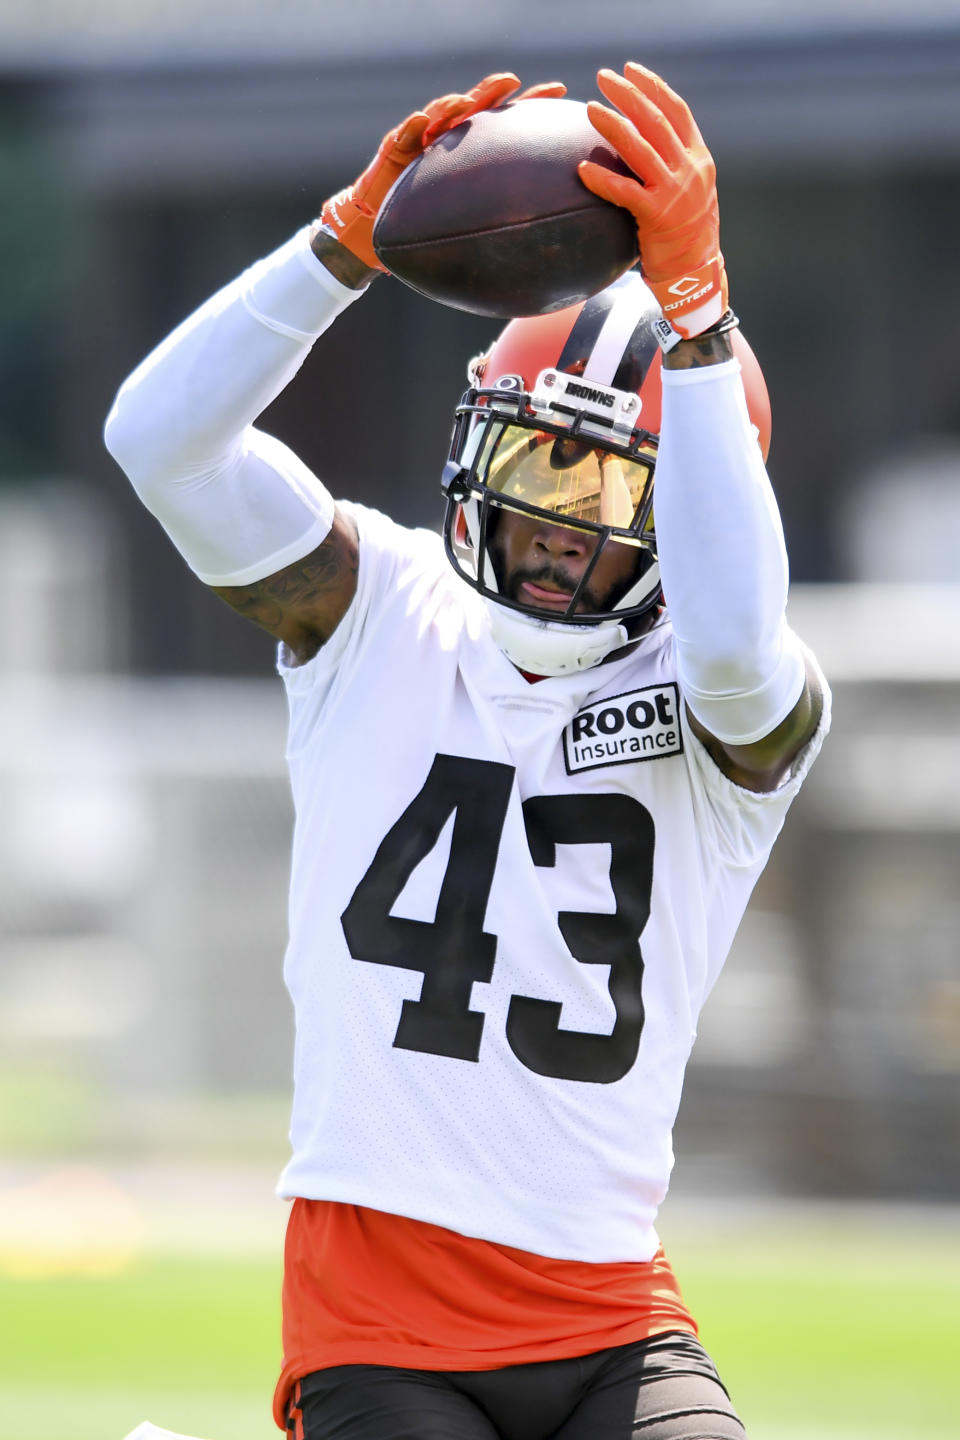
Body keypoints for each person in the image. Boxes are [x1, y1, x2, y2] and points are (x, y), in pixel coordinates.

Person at [106, 62, 829, 1440]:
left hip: (612, 1305)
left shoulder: (738, 694)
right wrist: (340, 248)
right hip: (374, 1305)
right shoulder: (369, 607)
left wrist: (696, 314)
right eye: (544, 462)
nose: (563, 517)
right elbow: (158, 443)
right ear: (476, 448)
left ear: (703, 504)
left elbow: (739, 645)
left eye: (617, 482)